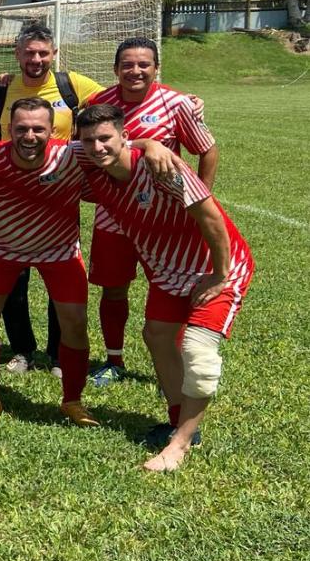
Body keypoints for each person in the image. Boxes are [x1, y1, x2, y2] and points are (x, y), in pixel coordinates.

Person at [73, 104, 253, 472]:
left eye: (106, 138)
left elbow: (212, 218)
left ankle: (179, 447)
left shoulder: (164, 168)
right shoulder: (91, 161)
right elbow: (47, 147)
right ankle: (177, 420)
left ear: (123, 136)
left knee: (198, 353)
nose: (97, 147)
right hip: (167, 271)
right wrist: (149, 140)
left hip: (217, 266)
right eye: (89, 140)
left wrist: (219, 275)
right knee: (157, 336)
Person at [0, 97, 101, 427]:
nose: (29, 135)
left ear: (53, 130)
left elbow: (122, 147)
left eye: (38, 128)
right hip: (2, 250)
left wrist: (152, 146)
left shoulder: (71, 154)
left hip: (59, 250)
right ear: (8, 129)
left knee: (75, 322)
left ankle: (73, 400)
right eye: (21, 128)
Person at [82, 38, 218, 385]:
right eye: (127, 64)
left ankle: (172, 365)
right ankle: (114, 361)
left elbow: (207, 149)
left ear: (156, 68)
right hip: (115, 216)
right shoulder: (98, 103)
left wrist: (198, 199)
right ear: (115, 69)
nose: (135, 71)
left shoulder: (176, 103)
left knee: (175, 289)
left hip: (165, 221)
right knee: (113, 288)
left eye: (144, 64)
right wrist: (147, 142)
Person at [0, 23, 104, 374]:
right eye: (29, 52)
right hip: (8, 198)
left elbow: (118, 106)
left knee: (59, 276)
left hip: (58, 196)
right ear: (17, 55)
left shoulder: (73, 85)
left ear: (54, 54)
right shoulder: (1, 91)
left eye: (42, 53)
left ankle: (60, 354)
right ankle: (22, 350)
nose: (36, 59)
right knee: (12, 279)